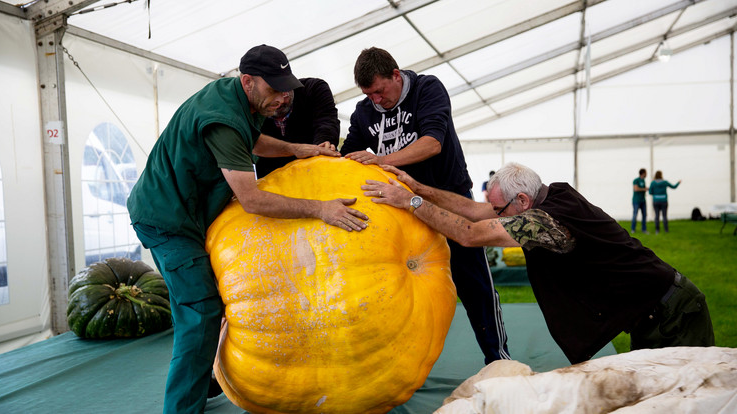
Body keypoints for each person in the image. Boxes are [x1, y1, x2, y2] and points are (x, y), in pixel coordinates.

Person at [126, 44, 369, 414]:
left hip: (184, 214)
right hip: (166, 221)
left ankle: (197, 382)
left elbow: (252, 142)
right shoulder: (222, 117)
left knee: (195, 308)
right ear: (248, 81)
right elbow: (252, 200)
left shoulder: (241, 101)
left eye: (285, 87)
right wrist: (320, 209)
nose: (283, 97)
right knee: (203, 311)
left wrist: (296, 149)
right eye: (275, 89)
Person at [362, 162, 715, 364]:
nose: (496, 216)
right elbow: (472, 210)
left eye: (500, 210)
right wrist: (418, 188)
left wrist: (410, 203)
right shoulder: (549, 193)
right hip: (649, 311)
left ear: (522, 199)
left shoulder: (549, 221)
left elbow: (469, 233)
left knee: (690, 397)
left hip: (674, 313)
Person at [340, 47, 510, 364]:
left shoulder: (427, 88)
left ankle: (498, 358)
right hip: (399, 209)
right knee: (391, 288)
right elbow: (346, 156)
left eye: (380, 91)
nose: (376, 100)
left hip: (448, 198)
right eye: (369, 95)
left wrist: (380, 160)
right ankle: (402, 366)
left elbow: (433, 142)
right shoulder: (364, 113)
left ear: (395, 75)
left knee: (473, 281)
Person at [255, 77, 340, 178]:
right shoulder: (248, 110)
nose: (282, 100)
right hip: (274, 182)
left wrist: (323, 146)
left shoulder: (313, 88)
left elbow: (326, 122)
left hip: (319, 173)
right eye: (274, 94)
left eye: (286, 93)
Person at [632, 168, 648, 234]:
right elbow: (636, 189)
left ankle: (644, 229)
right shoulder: (636, 180)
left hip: (643, 200)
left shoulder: (644, 180)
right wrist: (644, 189)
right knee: (635, 215)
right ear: (643, 173)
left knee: (644, 215)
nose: (646, 174)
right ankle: (633, 229)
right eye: (646, 173)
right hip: (636, 201)